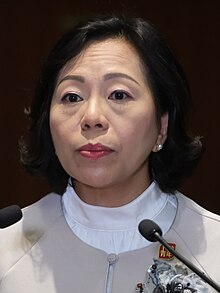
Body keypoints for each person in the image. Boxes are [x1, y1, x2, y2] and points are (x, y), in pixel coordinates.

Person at [0, 15, 219, 293]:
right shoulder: (6, 250)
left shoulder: (214, 252)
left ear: (162, 127)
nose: (92, 117)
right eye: (72, 97)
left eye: (118, 95)